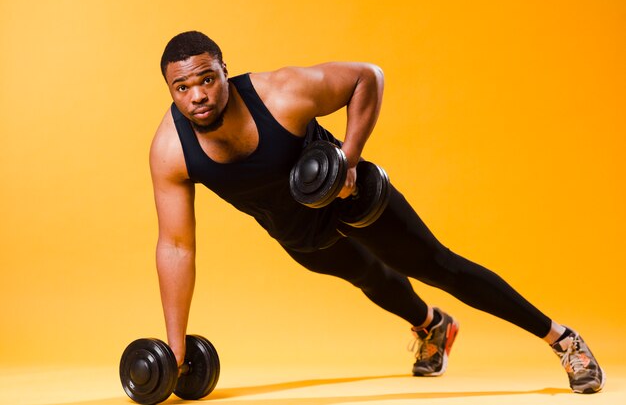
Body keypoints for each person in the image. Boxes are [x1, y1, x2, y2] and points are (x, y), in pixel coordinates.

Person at [150, 30, 605, 394]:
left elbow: (367, 76)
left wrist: (348, 157)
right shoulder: (171, 151)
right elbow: (175, 247)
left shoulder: (280, 93)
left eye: (207, 78)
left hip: (351, 199)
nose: (198, 96)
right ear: (171, 91)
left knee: (438, 266)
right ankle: (433, 326)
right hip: (297, 234)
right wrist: (175, 350)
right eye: (183, 87)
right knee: (367, 276)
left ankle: (563, 339)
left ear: (224, 71)